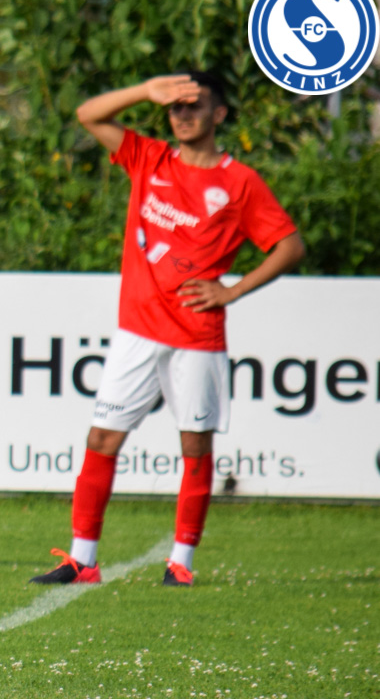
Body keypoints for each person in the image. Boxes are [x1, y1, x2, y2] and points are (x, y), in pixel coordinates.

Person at [33, 71, 304, 588]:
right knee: (101, 437)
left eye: (194, 106)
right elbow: (88, 114)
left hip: (196, 336)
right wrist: (145, 90)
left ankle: (181, 562)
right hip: (137, 330)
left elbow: (290, 246)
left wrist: (232, 291)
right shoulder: (149, 157)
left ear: (218, 114)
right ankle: (82, 560)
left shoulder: (240, 182)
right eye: (176, 107)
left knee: (195, 447)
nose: (183, 115)